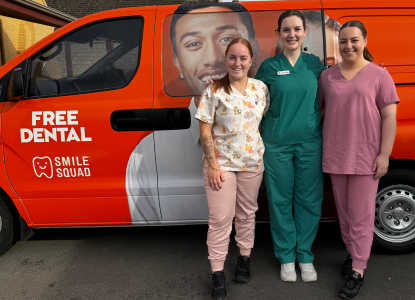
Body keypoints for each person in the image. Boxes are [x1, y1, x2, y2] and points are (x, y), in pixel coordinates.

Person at [126, 2, 260, 224]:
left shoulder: (267, 110)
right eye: (194, 43)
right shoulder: (147, 156)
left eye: (226, 39)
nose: (214, 57)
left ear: (251, 49)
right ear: (177, 62)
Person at [318, 20, 399, 299]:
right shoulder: (326, 77)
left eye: (354, 40)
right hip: (336, 155)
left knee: (362, 216)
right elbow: (316, 113)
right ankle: (353, 255)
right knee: (345, 214)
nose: (348, 46)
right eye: (343, 41)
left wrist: (384, 154)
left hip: (366, 158)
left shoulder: (379, 75)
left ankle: (358, 270)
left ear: (365, 41)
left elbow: (389, 117)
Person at [195, 38, 269, 300]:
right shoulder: (214, 91)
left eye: (243, 58)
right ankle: (217, 273)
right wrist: (212, 165)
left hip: (251, 164)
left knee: (247, 214)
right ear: (226, 60)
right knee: (220, 219)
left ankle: (244, 258)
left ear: (251, 61)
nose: (237, 62)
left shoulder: (260, 89)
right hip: (221, 166)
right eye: (233, 58)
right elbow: (204, 129)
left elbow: (258, 124)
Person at [255, 10, 324, 283]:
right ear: (278, 33)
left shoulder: (314, 64)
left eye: (296, 29)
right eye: (286, 29)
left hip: (310, 142)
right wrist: (219, 85)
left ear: (305, 31)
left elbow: (345, 82)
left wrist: (375, 68)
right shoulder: (268, 67)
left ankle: (305, 256)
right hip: (277, 144)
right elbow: (249, 99)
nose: (291, 34)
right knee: (280, 200)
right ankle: (286, 257)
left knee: (308, 200)